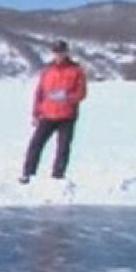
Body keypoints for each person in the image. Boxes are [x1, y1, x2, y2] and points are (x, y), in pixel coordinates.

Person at [21, 40, 88, 183]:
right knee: (36, 144)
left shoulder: (76, 70)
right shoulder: (47, 70)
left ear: (66, 52)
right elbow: (39, 93)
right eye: (56, 52)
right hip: (47, 114)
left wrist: (67, 97)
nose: (59, 55)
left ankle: (58, 176)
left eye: (61, 52)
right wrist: (35, 113)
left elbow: (81, 93)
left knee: (63, 148)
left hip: (67, 115)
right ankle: (27, 173)